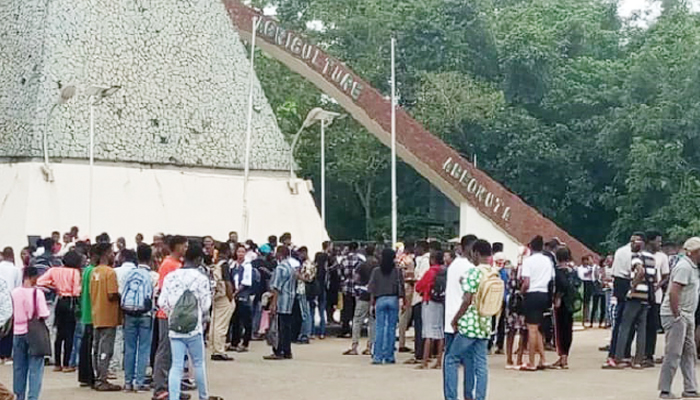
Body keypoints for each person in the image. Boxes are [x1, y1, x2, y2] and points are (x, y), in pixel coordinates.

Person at [158, 242, 213, 400]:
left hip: (175, 327)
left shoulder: (171, 276)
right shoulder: (201, 278)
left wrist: (172, 314)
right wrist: (198, 315)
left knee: (175, 366)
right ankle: (203, 396)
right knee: (198, 363)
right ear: (198, 259)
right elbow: (205, 304)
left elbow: (162, 302)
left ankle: (173, 397)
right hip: (194, 327)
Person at [446, 239, 493, 400]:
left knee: (451, 359)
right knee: (481, 364)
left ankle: (451, 397)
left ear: (476, 253)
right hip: (485, 323)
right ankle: (478, 397)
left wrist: (455, 319)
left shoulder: (475, 272)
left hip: (470, 324)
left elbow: (467, 299)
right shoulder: (492, 272)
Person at [658, 237, 700, 399]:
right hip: (677, 314)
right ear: (695, 251)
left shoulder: (694, 268)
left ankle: (690, 388)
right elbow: (674, 292)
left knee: (689, 353)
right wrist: (677, 316)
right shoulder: (684, 267)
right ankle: (665, 389)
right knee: (673, 353)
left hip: (687, 314)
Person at [610, 234, 657, 369]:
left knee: (625, 326)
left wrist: (632, 287)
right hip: (646, 295)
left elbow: (640, 271)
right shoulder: (651, 258)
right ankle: (638, 360)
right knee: (641, 328)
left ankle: (618, 358)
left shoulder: (636, 256)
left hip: (636, 295)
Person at [152, 235, 188, 400]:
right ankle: (160, 388)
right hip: (167, 313)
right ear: (177, 246)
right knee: (165, 351)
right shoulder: (169, 265)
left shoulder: (178, 265)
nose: (186, 249)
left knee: (174, 352)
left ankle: (172, 387)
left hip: (177, 313)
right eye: (184, 245)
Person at [443, 235, 477, 398]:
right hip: (464, 319)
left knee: (451, 360)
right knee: (468, 361)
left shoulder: (454, 265)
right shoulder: (470, 268)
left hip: (451, 318)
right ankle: (468, 395)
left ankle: (450, 396)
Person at [37, 250, 82, 372]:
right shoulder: (75, 272)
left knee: (59, 333)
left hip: (59, 300)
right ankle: (66, 364)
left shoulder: (54, 270)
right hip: (71, 302)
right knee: (69, 334)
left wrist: (54, 287)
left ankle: (57, 363)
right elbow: (76, 291)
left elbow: (40, 281)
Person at [605, 232, 645, 367]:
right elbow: (635, 272)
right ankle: (619, 353)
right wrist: (632, 288)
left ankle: (617, 352)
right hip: (627, 283)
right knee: (626, 322)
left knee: (621, 321)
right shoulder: (633, 254)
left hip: (618, 283)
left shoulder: (620, 250)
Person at [122, 245, 157, 392]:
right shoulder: (153, 276)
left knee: (129, 348)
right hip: (145, 315)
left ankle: (128, 382)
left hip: (129, 313)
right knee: (143, 348)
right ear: (150, 258)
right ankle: (139, 381)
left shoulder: (129, 274)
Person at [11, 266, 49, 400]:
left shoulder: (14, 293)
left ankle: (19, 395)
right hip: (33, 333)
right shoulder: (37, 293)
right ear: (33, 277)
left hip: (17, 331)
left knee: (19, 367)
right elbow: (44, 313)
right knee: (35, 367)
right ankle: (32, 397)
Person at [89, 242, 121, 391]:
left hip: (96, 313)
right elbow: (111, 294)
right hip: (109, 315)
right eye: (111, 252)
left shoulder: (93, 272)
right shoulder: (110, 272)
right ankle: (102, 379)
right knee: (106, 349)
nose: (113, 255)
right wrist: (121, 297)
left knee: (96, 347)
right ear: (106, 254)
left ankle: (97, 377)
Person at [520, 235, 553, 371]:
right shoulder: (548, 260)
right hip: (544, 293)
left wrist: (521, 291)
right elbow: (552, 279)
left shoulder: (528, 261)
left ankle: (532, 362)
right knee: (537, 328)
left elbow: (526, 282)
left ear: (531, 247)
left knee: (531, 329)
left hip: (532, 294)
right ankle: (543, 359)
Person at [368, 248, 405, 365]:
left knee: (379, 328)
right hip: (393, 299)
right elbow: (401, 286)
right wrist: (403, 300)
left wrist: (372, 303)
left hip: (380, 299)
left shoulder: (376, 271)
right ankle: (389, 356)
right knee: (391, 329)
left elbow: (371, 288)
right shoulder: (397, 271)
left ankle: (377, 356)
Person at [264, 246, 296, 360]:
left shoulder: (280, 267)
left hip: (282, 300)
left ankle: (279, 350)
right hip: (290, 300)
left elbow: (276, 287)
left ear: (280, 254)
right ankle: (287, 350)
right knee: (286, 327)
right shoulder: (290, 267)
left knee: (279, 327)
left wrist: (273, 303)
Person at [415, 249, 446, 369]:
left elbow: (419, 286)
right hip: (441, 302)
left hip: (429, 300)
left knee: (428, 332)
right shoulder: (445, 271)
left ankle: (424, 361)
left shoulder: (430, 272)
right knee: (439, 331)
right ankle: (438, 361)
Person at [343, 244, 377, 356]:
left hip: (363, 295)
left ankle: (354, 346)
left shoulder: (362, 265)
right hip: (375, 296)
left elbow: (356, 278)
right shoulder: (377, 264)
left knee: (357, 320)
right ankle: (370, 346)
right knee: (372, 322)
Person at [553, 247, 579, 369]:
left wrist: (557, 296)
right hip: (571, 301)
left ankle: (562, 355)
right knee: (568, 328)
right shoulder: (573, 270)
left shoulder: (557, 271)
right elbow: (578, 283)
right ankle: (565, 356)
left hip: (561, 301)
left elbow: (560, 285)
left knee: (560, 328)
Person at [405, 240, 430, 365]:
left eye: (417, 248)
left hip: (420, 297)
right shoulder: (423, 260)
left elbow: (422, 279)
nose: (415, 250)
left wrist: (411, 280)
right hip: (421, 297)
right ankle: (422, 353)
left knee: (419, 327)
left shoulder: (425, 261)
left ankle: (419, 354)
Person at [78, 245, 99, 387]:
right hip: (93, 313)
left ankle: (84, 376)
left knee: (85, 345)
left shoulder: (86, 271)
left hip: (86, 312)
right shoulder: (94, 272)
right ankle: (90, 375)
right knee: (91, 346)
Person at [648, 230, 669, 366]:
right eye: (658, 241)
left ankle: (649, 354)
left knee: (652, 325)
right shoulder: (641, 255)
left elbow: (666, 275)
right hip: (642, 294)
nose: (660, 244)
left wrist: (658, 285)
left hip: (655, 295)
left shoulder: (662, 257)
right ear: (650, 241)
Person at [210, 243, 234, 361]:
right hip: (224, 295)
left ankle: (214, 348)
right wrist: (231, 297)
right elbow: (227, 282)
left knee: (215, 322)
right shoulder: (224, 265)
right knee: (222, 324)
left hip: (216, 296)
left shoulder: (215, 264)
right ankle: (219, 350)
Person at [230, 244, 254, 352]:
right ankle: (234, 342)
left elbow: (246, 282)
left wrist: (236, 292)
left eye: (243, 252)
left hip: (243, 295)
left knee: (246, 320)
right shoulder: (233, 265)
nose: (240, 254)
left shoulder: (247, 265)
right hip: (234, 295)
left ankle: (245, 343)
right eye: (238, 251)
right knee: (235, 320)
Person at [0, 247, 22, 364]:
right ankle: (6, 355)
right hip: (10, 299)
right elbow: (18, 287)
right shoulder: (16, 269)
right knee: (8, 329)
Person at [338, 242, 362, 338]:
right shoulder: (360, 260)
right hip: (356, 288)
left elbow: (340, 273)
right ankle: (355, 330)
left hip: (346, 287)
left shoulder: (344, 259)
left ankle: (345, 330)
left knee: (346, 309)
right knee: (356, 310)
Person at [309, 241, 331, 339]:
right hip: (323, 287)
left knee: (312, 309)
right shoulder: (327, 259)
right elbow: (327, 273)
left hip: (314, 287)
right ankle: (322, 332)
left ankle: (312, 331)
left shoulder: (315, 265)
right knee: (322, 310)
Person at [577, 255, 595, 327]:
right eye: (585, 260)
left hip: (590, 283)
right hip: (584, 283)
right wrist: (588, 272)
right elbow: (581, 276)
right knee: (583, 302)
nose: (586, 262)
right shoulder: (579, 268)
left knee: (588, 302)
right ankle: (582, 319)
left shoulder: (590, 268)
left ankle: (587, 318)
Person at [590, 258, 607, 328]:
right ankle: (591, 322)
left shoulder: (605, 269)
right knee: (595, 306)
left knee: (603, 307)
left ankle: (600, 322)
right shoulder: (596, 268)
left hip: (603, 289)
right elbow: (595, 277)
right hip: (597, 288)